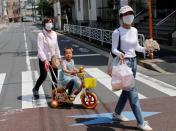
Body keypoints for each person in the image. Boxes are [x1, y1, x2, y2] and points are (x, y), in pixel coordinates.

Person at [111, 6, 152, 131]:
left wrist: (146, 49)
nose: (129, 16)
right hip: (125, 64)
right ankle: (141, 122)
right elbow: (113, 49)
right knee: (133, 93)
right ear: (121, 17)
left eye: (131, 13)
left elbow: (136, 47)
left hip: (134, 62)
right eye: (126, 14)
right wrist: (120, 54)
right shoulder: (117, 32)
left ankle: (117, 113)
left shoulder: (134, 30)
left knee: (126, 90)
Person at [32, 18, 61, 99]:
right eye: (47, 22)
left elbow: (56, 46)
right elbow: (40, 49)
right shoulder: (41, 35)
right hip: (44, 58)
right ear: (44, 24)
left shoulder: (54, 33)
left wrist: (59, 57)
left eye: (51, 22)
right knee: (43, 75)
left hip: (53, 57)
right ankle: (35, 89)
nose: (49, 24)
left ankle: (54, 94)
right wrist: (45, 60)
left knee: (55, 76)